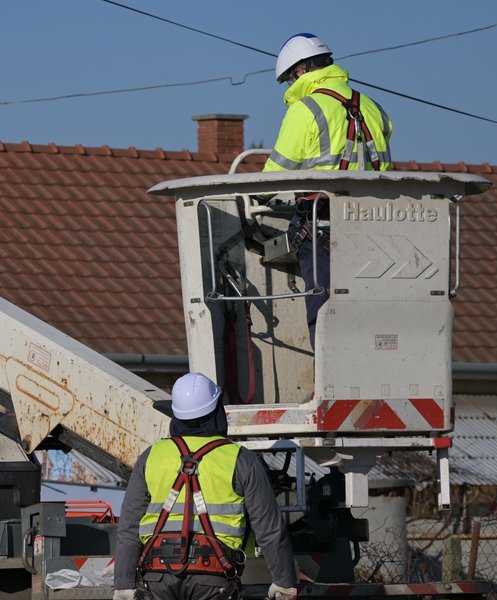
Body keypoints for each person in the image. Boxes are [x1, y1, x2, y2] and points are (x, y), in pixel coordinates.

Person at [113, 372, 298, 600]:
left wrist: (123, 584)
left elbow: (129, 526)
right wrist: (283, 582)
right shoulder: (241, 460)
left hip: (157, 578)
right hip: (214, 580)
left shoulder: (151, 456)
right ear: (217, 412)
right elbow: (269, 529)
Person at [263, 33, 393, 348]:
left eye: (290, 77)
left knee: (323, 313)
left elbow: (272, 178)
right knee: (366, 311)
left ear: (301, 69)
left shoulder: (306, 108)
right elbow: (383, 169)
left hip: (323, 229)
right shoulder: (373, 107)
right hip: (377, 226)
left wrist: (257, 201)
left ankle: (327, 384)